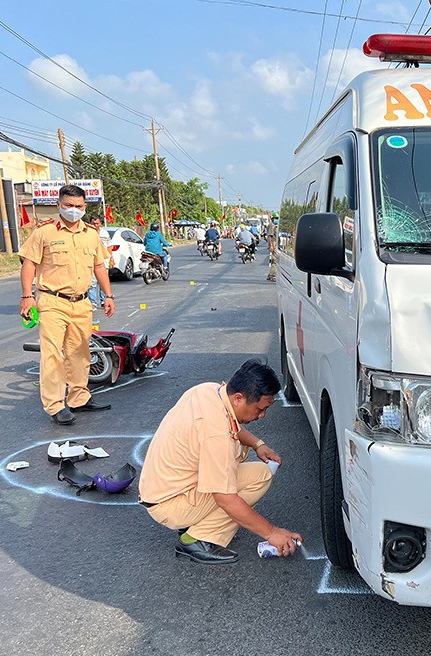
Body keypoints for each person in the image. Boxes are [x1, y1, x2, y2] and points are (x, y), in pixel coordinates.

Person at [138, 360, 303, 564]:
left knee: (254, 473)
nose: (262, 415)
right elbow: (225, 499)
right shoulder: (216, 435)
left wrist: (257, 444)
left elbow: (230, 424)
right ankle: (197, 539)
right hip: (171, 503)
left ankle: (195, 523)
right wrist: (271, 533)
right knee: (257, 479)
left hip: (162, 489)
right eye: (260, 409)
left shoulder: (209, 391)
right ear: (238, 399)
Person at [18, 184, 115, 426]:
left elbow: (99, 267)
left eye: (79, 206)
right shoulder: (44, 233)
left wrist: (108, 295)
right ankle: (55, 405)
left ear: (85, 206)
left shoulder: (91, 234)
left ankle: (79, 398)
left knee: (80, 353)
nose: (74, 210)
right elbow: (29, 264)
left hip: (81, 302)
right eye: (69, 206)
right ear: (59, 205)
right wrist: (26, 296)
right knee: (52, 355)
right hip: (52, 301)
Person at [86, 216, 112, 309]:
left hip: (104, 261)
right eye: (93, 223)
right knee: (92, 282)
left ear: (100, 223)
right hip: (91, 261)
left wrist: (111, 258)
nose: (95, 225)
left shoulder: (104, 233)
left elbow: (109, 246)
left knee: (103, 282)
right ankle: (93, 302)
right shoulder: (87, 233)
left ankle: (104, 300)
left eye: (97, 223)